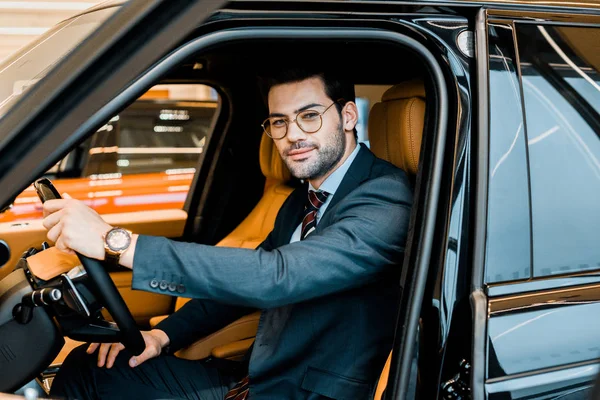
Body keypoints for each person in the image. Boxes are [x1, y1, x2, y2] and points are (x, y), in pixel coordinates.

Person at [44, 69, 413, 400]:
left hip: (308, 390)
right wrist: (162, 336)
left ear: (348, 116)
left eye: (310, 116)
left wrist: (117, 243)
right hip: (259, 377)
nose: (293, 135)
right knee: (92, 367)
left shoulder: (386, 198)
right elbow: (239, 288)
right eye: (279, 122)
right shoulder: (304, 196)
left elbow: (275, 275)